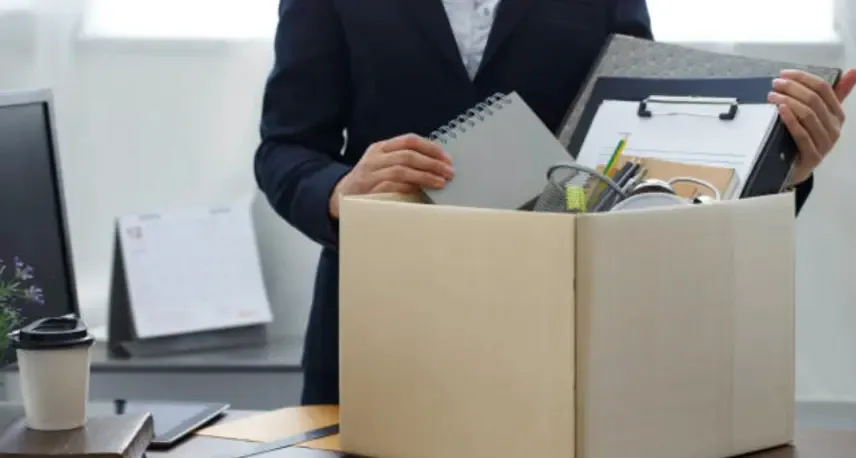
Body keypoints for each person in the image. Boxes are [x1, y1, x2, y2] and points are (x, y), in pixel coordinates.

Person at [254, 0, 856, 405]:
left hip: (556, 328)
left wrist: (780, 164)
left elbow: (639, 149)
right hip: (379, 322)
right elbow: (285, 147)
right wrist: (335, 191)